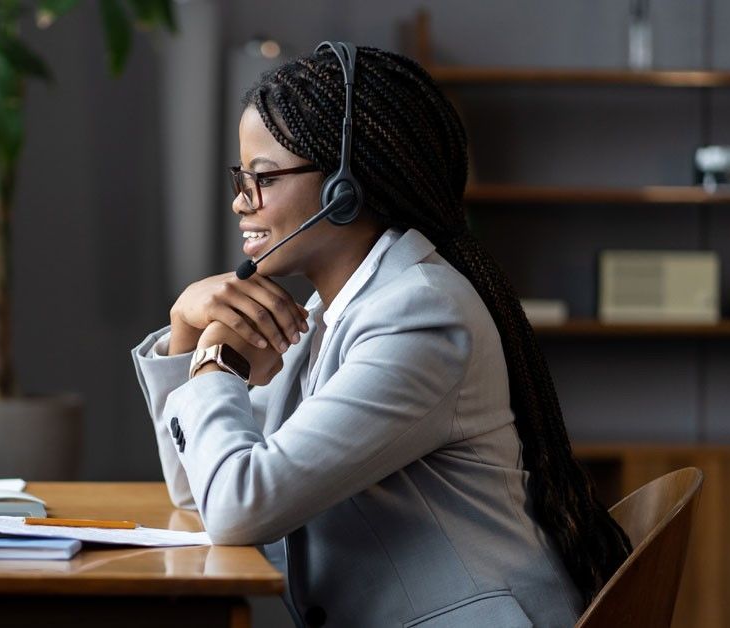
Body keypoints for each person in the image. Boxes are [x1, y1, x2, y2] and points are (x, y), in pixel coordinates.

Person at [131, 42, 630, 628]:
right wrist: (187, 331)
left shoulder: (418, 317)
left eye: (263, 177)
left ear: (346, 189)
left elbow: (240, 504)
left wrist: (215, 363)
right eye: (241, 176)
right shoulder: (333, 311)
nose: (242, 200)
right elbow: (203, 493)